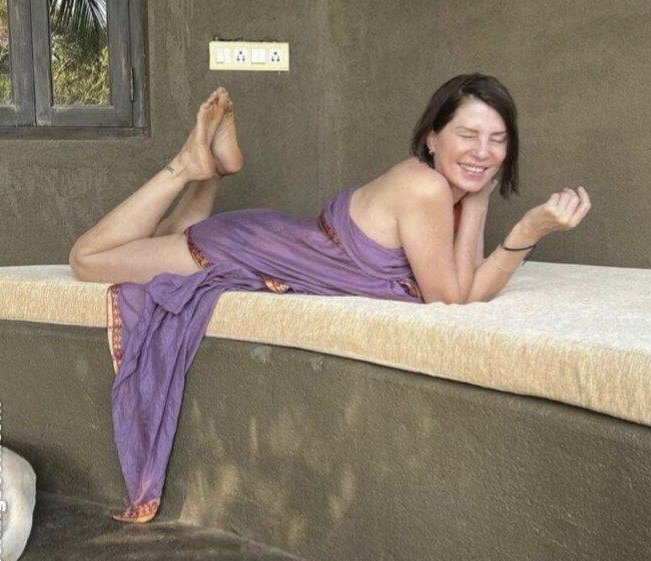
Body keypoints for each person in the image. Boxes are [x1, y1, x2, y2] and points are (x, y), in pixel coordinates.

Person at [69, 74, 591, 522]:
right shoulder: (425, 188)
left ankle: (213, 172)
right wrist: (525, 231)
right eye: (468, 134)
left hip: (279, 239)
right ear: (432, 138)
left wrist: (481, 204)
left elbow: (466, 286)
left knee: (164, 237)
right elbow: (450, 298)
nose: (482, 152)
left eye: (497, 139)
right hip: (255, 249)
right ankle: (188, 165)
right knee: (88, 260)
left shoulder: (448, 191)